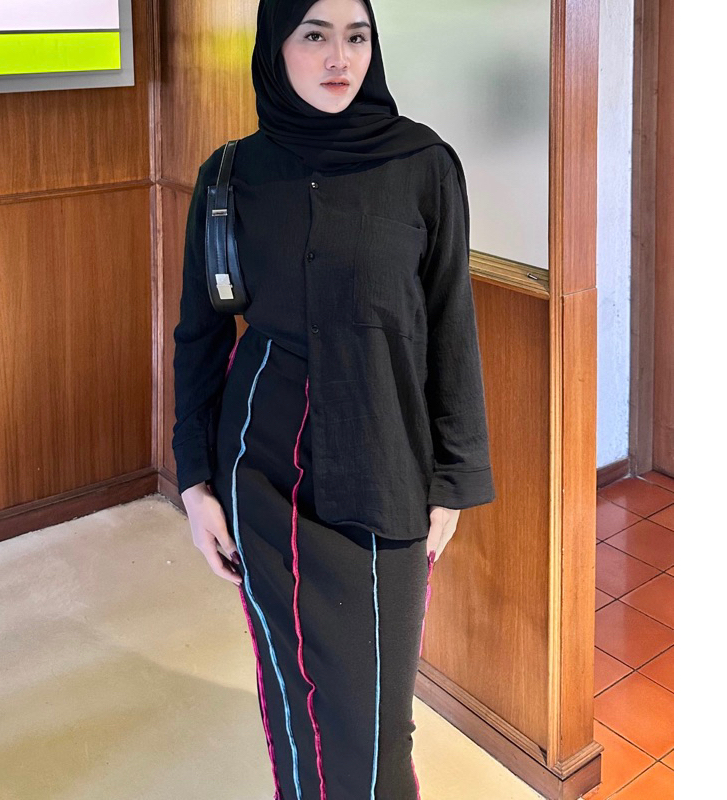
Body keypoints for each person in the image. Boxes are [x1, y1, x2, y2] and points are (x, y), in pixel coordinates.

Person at [172, 0, 496, 797]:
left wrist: (454, 478)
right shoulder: (229, 176)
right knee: (295, 694)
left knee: (377, 716)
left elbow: (451, 324)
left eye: (356, 36)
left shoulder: (424, 165)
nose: (338, 58)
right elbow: (200, 335)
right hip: (264, 467)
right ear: (275, 47)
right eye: (313, 35)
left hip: (387, 461)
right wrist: (194, 483)